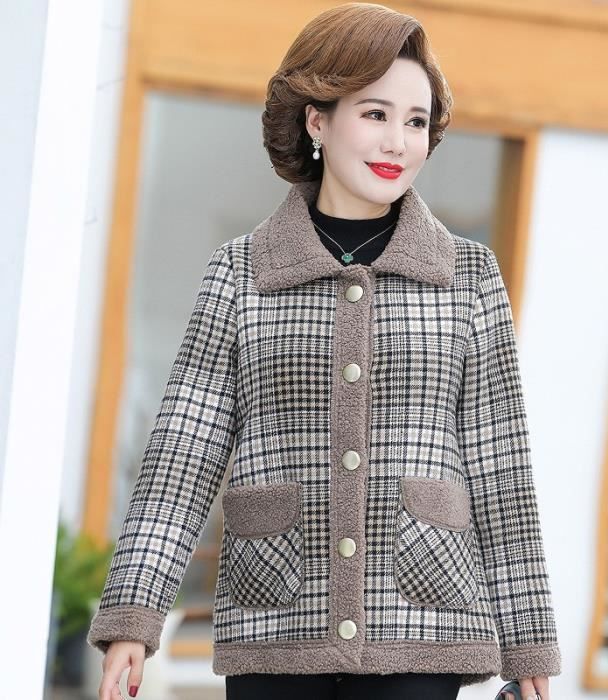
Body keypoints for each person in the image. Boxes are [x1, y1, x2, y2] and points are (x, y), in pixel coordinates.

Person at [86, 3, 561, 700]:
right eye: (375, 114)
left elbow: (500, 464)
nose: (397, 141)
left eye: (416, 121)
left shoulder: (469, 276)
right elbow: (185, 451)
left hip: (423, 616)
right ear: (318, 120)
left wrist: (528, 642)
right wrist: (135, 615)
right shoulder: (240, 272)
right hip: (275, 612)